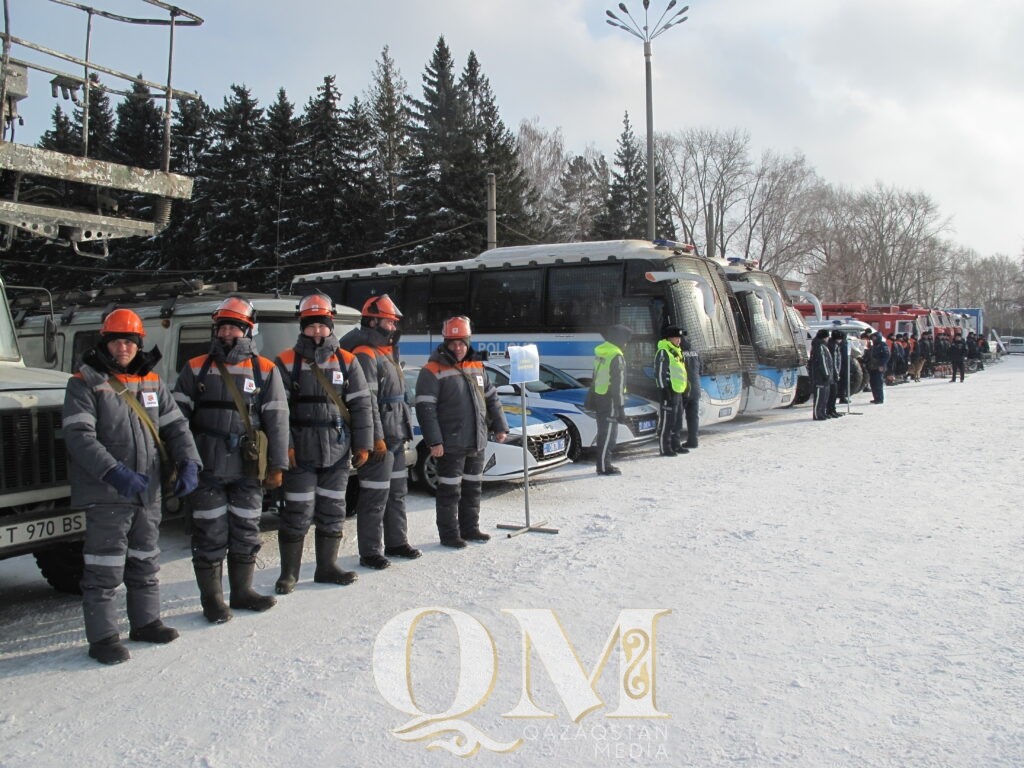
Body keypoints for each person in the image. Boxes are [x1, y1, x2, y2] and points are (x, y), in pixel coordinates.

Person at [63, 309, 201, 665]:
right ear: (105, 342)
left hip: (147, 490)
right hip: (108, 492)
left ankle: (146, 622)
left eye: (129, 341)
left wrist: (189, 462)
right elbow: (79, 438)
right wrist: (114, 472)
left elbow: (176, 428)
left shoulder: (151, 380)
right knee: (104, 567)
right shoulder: (84, 381)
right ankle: (104, 638)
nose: (123, 347)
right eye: (116, 340)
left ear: (138, 344)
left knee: (144, 559)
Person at [174, 296, 289, 623]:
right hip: (206, 466)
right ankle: (212, 601)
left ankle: (242, 592)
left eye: (234, 328)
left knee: (246, 529)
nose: (227, 333)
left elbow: (278, 420)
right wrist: (185, 460)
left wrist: (278, 465)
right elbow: (177, 419)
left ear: (248, 331)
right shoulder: (195, 367)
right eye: (222, 327)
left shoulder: (265, 369)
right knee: (209, 532)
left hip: (248, 467)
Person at [272, 293, 374, 594]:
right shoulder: (286, 361)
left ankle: (326, 567)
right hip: (299, 453)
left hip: (338, 450)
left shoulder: (348, 361)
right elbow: (278, 412)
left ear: (331, 326)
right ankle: (288, 574)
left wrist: (363, 444)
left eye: (322, 326)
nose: (317, 332)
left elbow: (361, 405)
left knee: (332, 509)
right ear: (302, 327)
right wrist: (285, 446)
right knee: (296, 512)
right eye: (311, 326)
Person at [339, 295, 421, 569]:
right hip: (381, 438)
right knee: (375, 495)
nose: (393, 326)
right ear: (373, 320)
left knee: (397, 492)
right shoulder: (365, 352)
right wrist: (375, 438)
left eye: (394, 321)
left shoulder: (386, 351)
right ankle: (370, 551)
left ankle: (397, 542)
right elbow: (367, 401)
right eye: (388, 321)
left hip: (396, 434)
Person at [414, 316, 508, 547]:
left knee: (473, 488)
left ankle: (470, 529)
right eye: (452, 342)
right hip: (450, 443)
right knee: (449, 492)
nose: (457, 347)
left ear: (468, 342)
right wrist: (434, 441)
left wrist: (500, 425)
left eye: (461, 342)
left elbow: (491, 398)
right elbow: (425, 409)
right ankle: (449, 535)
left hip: (477, 440)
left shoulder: (477, 366)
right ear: (445, 342)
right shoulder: (431, 370)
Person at [587, 324, 632, 475]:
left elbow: (596, 376)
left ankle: (603, 464)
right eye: (625, 340)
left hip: (601, 396)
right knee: (609, 435)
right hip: (611, 400)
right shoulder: (616, 356)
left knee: (603, 432)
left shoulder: (602, 352)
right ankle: (604, 467)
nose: (626, 344)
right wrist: (620, 407)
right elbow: (618, 385)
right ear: (620, 340)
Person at [653, 326, 689, 455]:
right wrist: (664, 390)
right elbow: (659, 374)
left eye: (680, 338)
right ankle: (665, 448)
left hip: (678, 390)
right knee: (667, 421)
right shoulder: (664, 351)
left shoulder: (677, 351)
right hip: (668, 391)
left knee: (677, 419)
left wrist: (686, 387)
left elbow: (680, 372)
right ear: (669, 338)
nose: (679, 340)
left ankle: (676, 444)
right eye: (676, 337)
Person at [680, 333, 701, 449]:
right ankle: (693, 440)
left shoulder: (679, 352)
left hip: (684, 389)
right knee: (693, 417)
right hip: (696, 389)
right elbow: (701, 368)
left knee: (678, 416)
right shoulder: (695, 351)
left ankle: (674, 442)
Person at [809, 329, 834, 421]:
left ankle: (822, 412)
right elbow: (822, 361)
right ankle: (817, 414)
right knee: (820, 396)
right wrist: (826, 373)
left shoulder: (823, 345)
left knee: (824, 396)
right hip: (820, 377)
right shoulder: (819, 346)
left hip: (824, 377)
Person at [867, 331, 890, 403]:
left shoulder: (883, 345)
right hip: (872, 367)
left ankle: (880, 398)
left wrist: (882, 365)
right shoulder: (873, 346)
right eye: (873, 337)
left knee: (878, 383)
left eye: (875, 337)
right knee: (873, 383)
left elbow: (886, 356)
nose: (873, 338)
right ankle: (876, 398)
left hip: (879, 367)